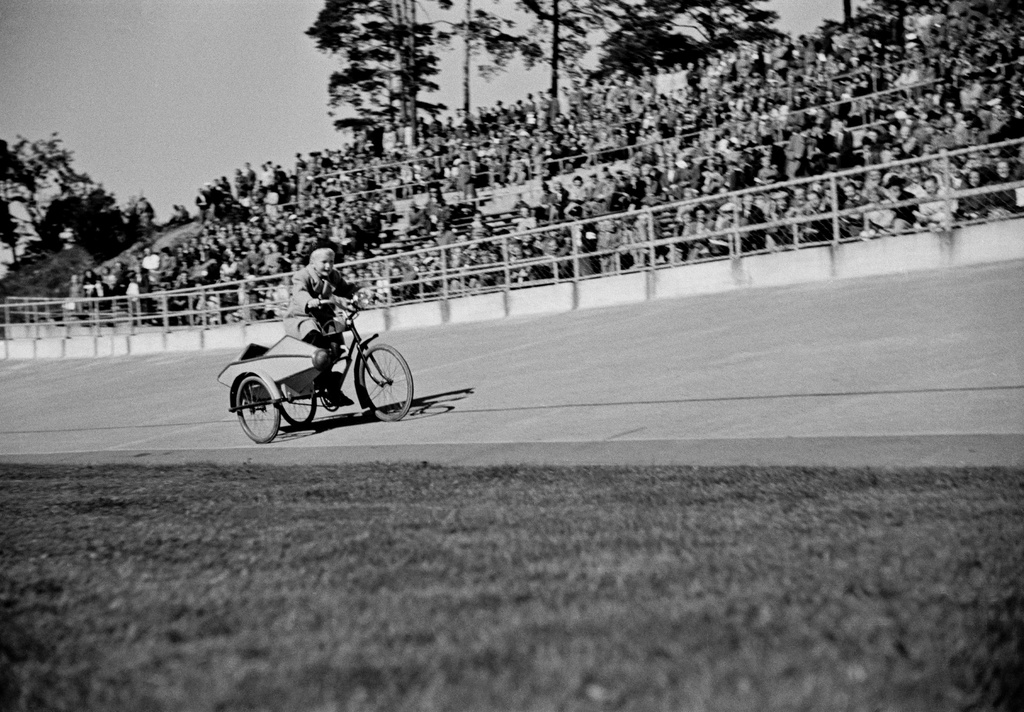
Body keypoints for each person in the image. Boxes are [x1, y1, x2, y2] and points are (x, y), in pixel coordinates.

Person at [283, 247, 364, 406]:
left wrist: (363, 294)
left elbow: (346, 289)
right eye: (324, 262)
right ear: (312, 263)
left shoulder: (333, 276)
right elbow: (299, 293)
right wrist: (308, 301)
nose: (328, 266)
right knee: (319, 347)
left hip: (323, 318)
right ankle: (325, 382)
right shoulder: (302, 275)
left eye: (331, 262)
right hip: (302, 318)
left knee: (338, 349)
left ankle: (331, 385)